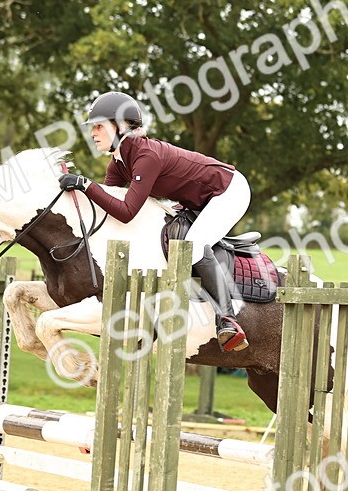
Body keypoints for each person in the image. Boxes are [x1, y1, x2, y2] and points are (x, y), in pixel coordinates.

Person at [57, 91, 250, 352]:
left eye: (99, 126)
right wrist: (75, 192)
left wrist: (86, 185)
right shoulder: (119, 163)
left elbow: (127, 211)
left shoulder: (146, 156)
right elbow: (107, 208)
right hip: (197, 200)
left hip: (228, 191)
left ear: (121, 126)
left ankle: (228, 320)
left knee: (192, 247)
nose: (93, 133)